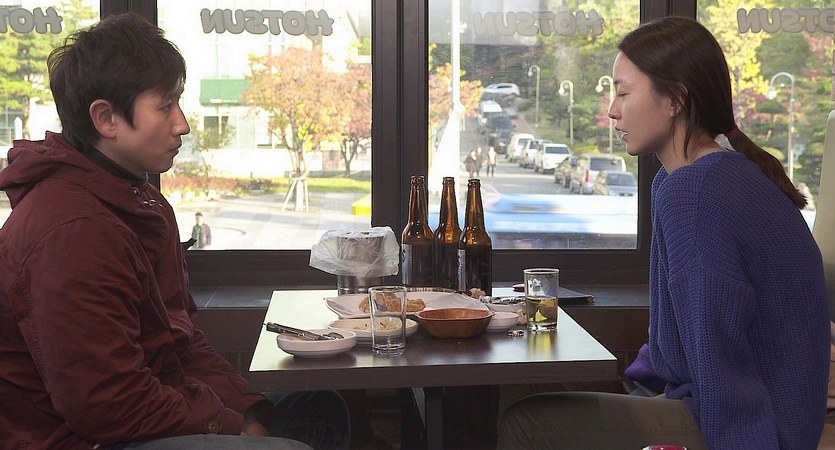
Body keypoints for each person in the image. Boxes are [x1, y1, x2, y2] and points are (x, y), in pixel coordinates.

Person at [0, 13, 350, 450]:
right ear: (106, 118)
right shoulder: (72, 231)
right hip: (84, 438)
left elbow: (179, 342)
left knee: (319, 408)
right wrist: (229, 426)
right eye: (166, 106)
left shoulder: (143, 201)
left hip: (149, 406)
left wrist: (245, 411)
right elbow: (108, 405)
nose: (182, 123)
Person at [497, 16, 829, 449]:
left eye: (623, 92)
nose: (612, 110)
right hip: (733, 408)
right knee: (532, 395)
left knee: (527, 423)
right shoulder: (694, 178)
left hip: (752, 427)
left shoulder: (695, 190)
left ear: (675, 99)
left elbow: (718, 352)